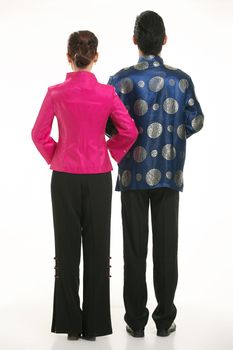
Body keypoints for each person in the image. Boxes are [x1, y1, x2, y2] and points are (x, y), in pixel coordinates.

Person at [31, 30, 138, 341]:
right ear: (96, 57)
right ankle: (95, 325)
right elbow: (128, 131)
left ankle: (70, 325)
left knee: (65, 251)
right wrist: (108, 150)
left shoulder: (55, 93)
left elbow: (38, 134)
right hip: (98, 178)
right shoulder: (107, 94)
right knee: (97, 249)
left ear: (69, 57)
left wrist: (58, 155)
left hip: (63, 178)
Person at [106, 11, 204, 337]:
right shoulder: (181, 80)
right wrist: (171, 138)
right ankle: (165, 322)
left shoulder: (120, 80)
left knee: (134, 250)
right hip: (169, 172)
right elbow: (196, 120)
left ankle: (135, 323)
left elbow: (108, 126)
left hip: (132, 175)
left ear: (135, 40)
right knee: (166, 249)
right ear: (164, 39)